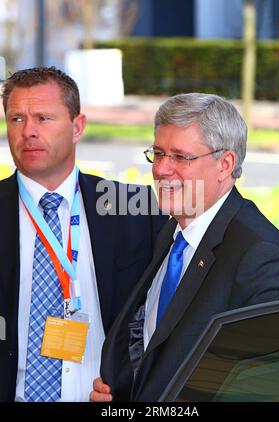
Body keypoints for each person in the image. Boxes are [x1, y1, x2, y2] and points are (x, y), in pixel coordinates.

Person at [90, 93, 279, 402]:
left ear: (225, 164)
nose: (161, 169)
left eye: (180, 157)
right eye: (158, 153)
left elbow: (270, 389)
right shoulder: (174, 230)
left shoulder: (263, 259)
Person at [0, 66, 167, 402]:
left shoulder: (135, 206)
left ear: (77, 127)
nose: (28, 131)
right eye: (17, 119)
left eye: (44, 118)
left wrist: (128, 384)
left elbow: (166, 312)